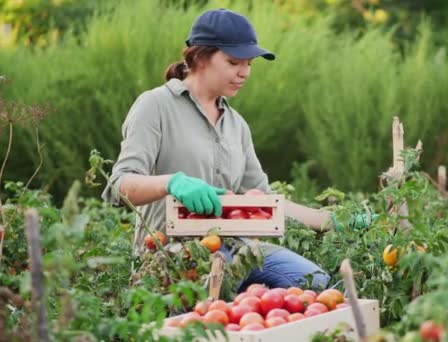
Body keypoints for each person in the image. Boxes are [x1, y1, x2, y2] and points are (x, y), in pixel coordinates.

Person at [102, 8, 374, 292]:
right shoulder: (155, 106)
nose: (244, 73)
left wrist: (332, 221)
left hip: (238, 250)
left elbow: (266, 203)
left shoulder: (236, 125)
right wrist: (172, 183)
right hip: (171, 257)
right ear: (200, 57)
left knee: (321, 286)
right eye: (233, 62)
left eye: (249, 64)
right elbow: (120, 184)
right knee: (212, 309)